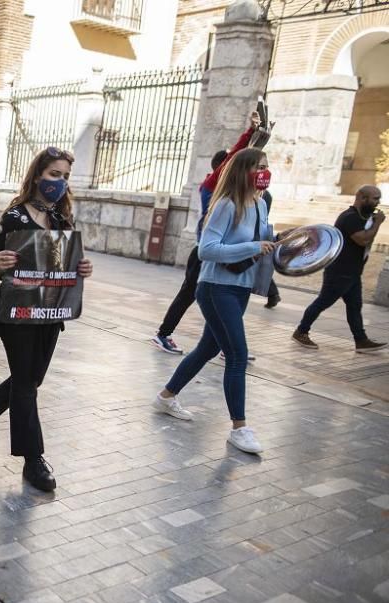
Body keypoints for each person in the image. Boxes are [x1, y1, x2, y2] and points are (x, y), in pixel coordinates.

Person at [0, 148, 94, 492]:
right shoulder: (15, 217)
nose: (59, 182)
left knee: (31, 380)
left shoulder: (64, 220)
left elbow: (68, 263)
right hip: (17, 312)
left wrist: (82, 268)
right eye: (54, 174)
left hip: (51, 312)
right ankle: (33, 459)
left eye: (65, 176)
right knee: (24, 383)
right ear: (38, 175)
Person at [153, 148, 276, 455]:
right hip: (216, 287)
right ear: (244, 170)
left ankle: (166, 397)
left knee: (208, 347)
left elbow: (257, 246)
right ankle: (240, 428)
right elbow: (207, 249)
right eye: (259, 167)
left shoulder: (260, 205)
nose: (265, 172)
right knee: (237, 354)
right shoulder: (226, 204)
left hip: (240, 288)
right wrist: (252, 246)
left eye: (267, 166)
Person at [152, 112, 274, 355]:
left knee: (219, 302)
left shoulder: (253, 200)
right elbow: (235, 157)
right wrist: (249, 134)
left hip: (232, 258)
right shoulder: (213, 188)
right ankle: (163, 333)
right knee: (189, 294)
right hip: (205, 252)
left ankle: (224, 340)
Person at [292, 186, 387, 354]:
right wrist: (378, 223)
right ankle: (301, 331)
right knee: (323, 302)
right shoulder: (349, 218)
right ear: (362, 198)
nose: (378, 202)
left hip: (352, 272)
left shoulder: (360, 217)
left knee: (354, 306)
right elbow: (363, 240)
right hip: (340, 272)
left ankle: (361, 340)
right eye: (375, 198)